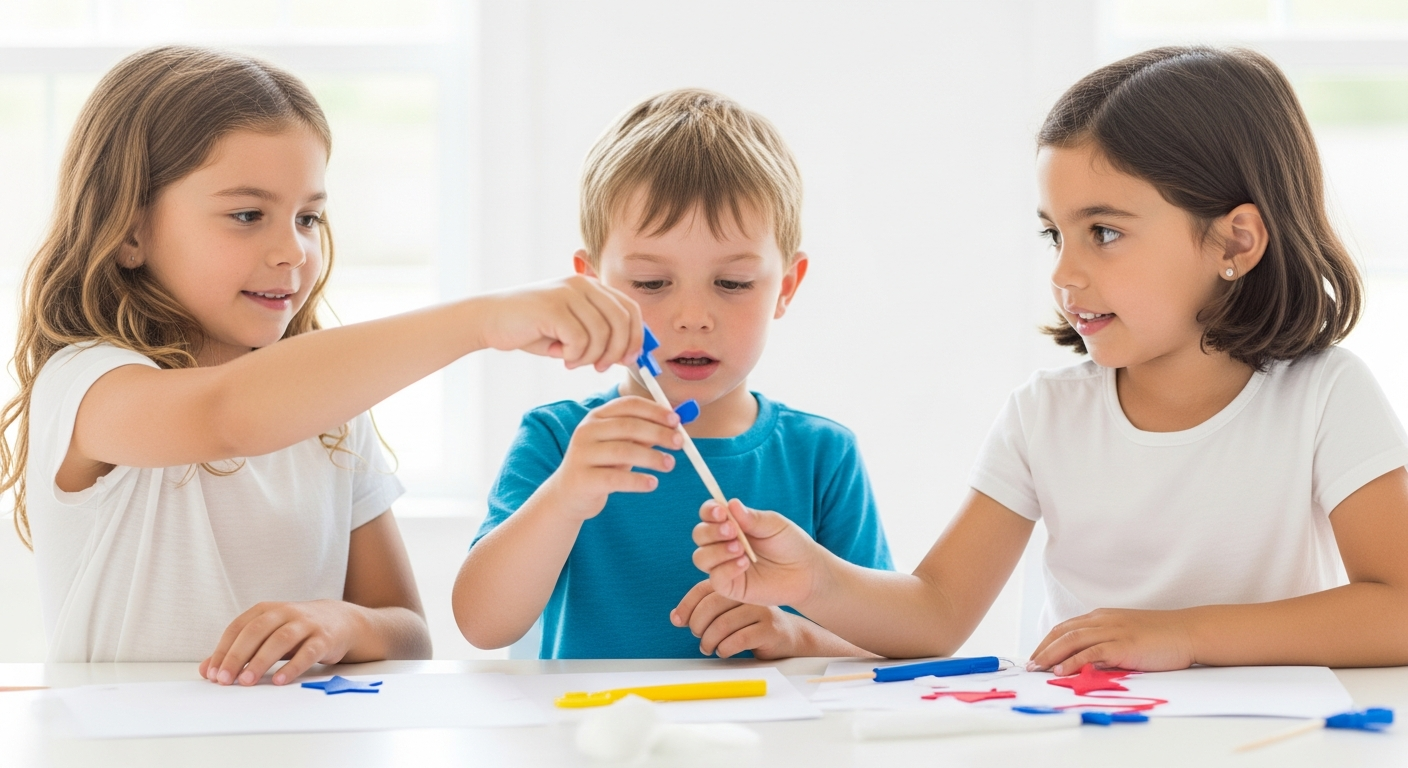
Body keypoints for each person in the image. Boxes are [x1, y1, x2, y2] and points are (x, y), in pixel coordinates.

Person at [688, 47, 1408, 672]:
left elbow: (1398, 608)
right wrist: (813, 579)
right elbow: (938, 611)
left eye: (1103, 232)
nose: (1065, 273)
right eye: (1053, 235)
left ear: (1235, 243)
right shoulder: (1045, 414)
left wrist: (1183, 635)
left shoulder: (1325, 397)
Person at [0, 46, 643, 684]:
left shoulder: (331, 413)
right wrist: (483, 320)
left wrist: (345, 625)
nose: (293, 250)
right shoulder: (85, 384)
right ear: (130, 231)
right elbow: (228, 412)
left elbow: (409, 634)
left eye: (309, 217)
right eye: (247, 215)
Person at [453, 89, 893, 659]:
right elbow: (483, 626)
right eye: (652, 284)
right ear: (592, 286)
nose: (692, 318)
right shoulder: (559, 441)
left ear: (785, 287)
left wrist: (798, 636)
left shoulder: (821, 456)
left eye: (733, 284)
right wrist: (566, 495)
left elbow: (887, 650)